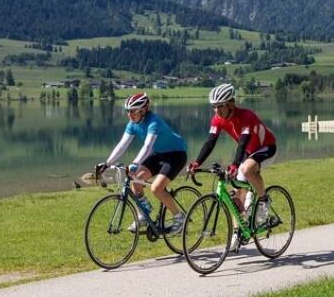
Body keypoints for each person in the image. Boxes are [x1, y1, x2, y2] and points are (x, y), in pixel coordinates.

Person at [188, 83, 277, 248]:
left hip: (266, 148)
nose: (216, 111)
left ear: (231, 104)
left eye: (220, 106)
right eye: (214, 107)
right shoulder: (217, 119)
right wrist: (196, 162)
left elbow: (242, 144)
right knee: (237, 195)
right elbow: (210, 142)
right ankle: (239, 231)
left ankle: (264, 201)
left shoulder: (246, 116)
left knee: (246, 169)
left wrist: (235, 165)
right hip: (250, 152)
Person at [96, 92, 188, 233]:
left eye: (133, 111)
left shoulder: (153, 122)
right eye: (127, 111)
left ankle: (179, 217)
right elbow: (122, 145)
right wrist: (107, 163)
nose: (129, 114)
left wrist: (134, 163)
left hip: (176, 154)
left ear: (143, 110)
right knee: (136, 181)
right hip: (158, 154)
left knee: (156, 188)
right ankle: (144, 215)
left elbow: (147, 146)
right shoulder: (132, 124)